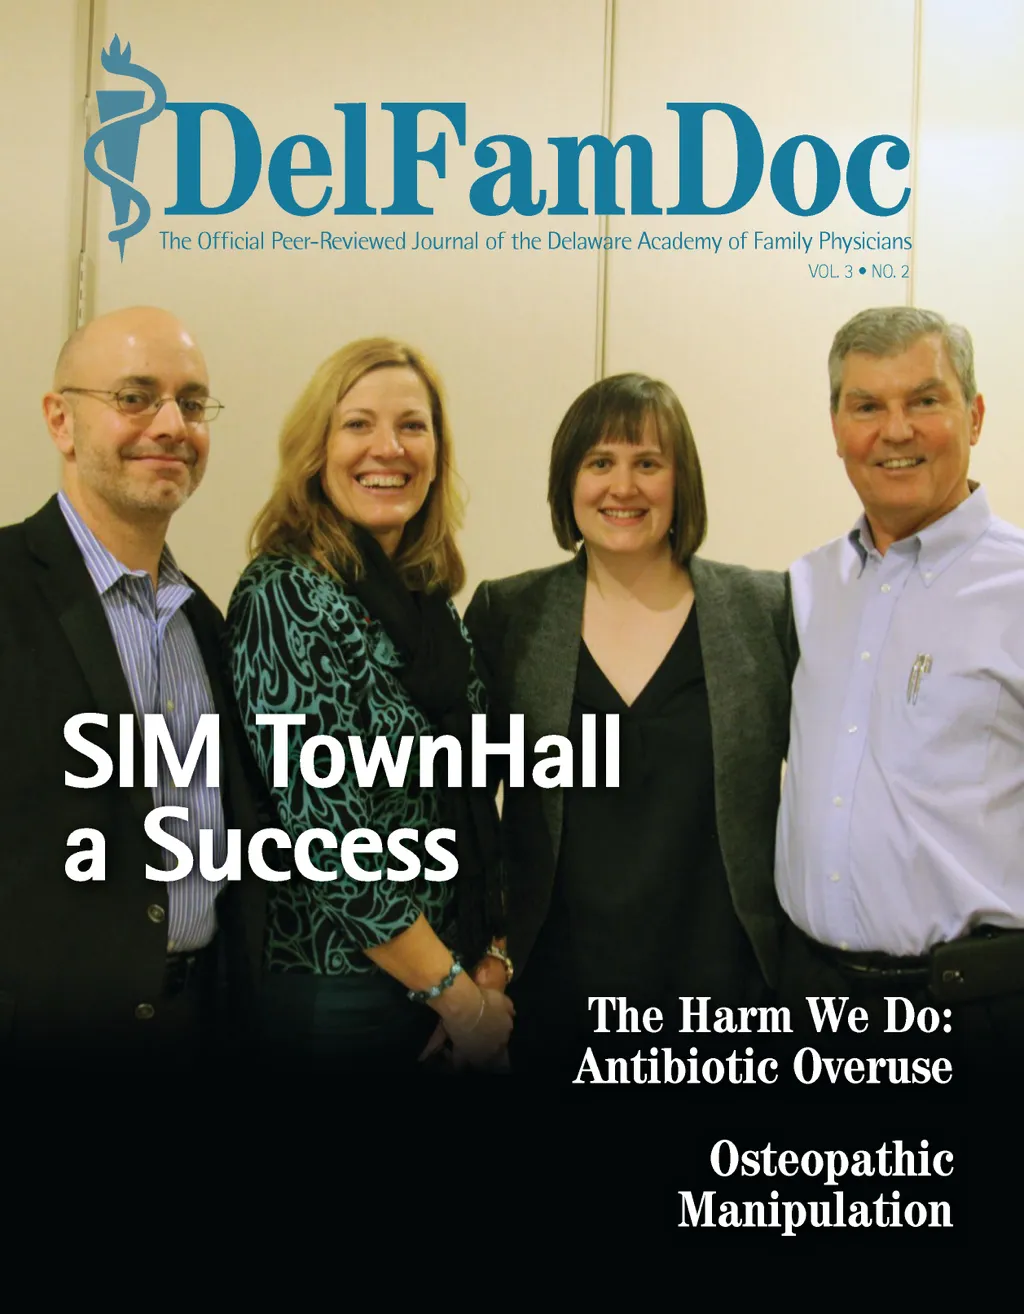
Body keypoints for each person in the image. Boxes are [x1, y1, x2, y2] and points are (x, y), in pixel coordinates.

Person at [464, 373, 796, 1077]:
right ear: (568, 480)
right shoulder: (508, 615)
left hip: (726, 1001)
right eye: (600, 462)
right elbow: (469, 810)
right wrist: (489, 953)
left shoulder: (764, 610)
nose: (624, 487)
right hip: (555, 1001)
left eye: (648, 462)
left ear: (682, 481)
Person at [226, 337, 512, 1073]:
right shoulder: (286, 595)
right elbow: (330, 838)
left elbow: (474, 788)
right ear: (316, 450)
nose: (389, 447)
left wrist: (487, 965)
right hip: (340, 993)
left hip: (440, 977)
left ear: (437, 453)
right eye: (358, 424)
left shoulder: (429, 604)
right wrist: (460, 1001)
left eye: (412, 425)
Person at [0, 305, 265, 1068]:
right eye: (134, 397)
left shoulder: (204, 625)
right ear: (61, 421)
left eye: (193, 402)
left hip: (197, 1027)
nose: (172, 425)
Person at [776, 305, 1024, 1073]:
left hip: (977, 1016)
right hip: (808, 1002)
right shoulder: (806, 586)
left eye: (925, 400)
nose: (895, 430)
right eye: (867, 407)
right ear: (836, 427)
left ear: (974, 415)